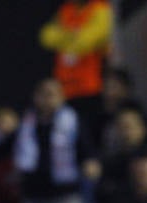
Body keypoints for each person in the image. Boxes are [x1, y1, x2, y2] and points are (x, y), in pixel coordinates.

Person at [38, 0, 114, 130]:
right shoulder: (66, 9)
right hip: (65, 89)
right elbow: (46, 37)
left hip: (90, 87)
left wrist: (63, 37)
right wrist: (73, 36)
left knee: (90, 130)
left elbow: (86, 41)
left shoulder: (100, 8)